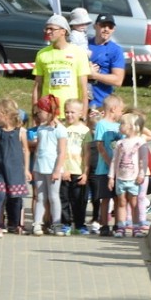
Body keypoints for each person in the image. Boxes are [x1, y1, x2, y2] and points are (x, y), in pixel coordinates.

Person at [32, 14, 89, 110]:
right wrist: (35, 112)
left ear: (63, 31)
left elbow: (83, 88)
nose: (48, 32)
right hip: (48, 114)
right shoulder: (41, 54)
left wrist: (83, 115)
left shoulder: (79, 53)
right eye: (46, 29)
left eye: (52, 29)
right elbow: (38, 87)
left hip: (70, 114)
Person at [0, 99, 31, 237]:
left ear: (6, 114)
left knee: (16, 198)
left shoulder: (21, 132)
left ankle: (16, 224)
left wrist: (26, 169)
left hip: (15, 170)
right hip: (0, 170)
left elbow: (26, 150)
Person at [108, 112, 149, 238]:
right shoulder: (120, 143)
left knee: (134, 203)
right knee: (121, 203)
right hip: (121, 178)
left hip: (134, 179)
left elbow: (144, 160)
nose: (119, 126)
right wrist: (111, 177)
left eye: (122, 123)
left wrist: (141, 174)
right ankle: (121, 227)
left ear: (131, 126)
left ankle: (136, 227)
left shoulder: (140, 142)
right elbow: (114, 160)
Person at [31, 94, 68, 236]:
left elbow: (62, 152)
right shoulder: (41, 128)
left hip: (53, 169)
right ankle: (37, 223)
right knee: (40, 196)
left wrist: (57, 170)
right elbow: (39, 148)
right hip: (40, 167)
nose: (38, 115)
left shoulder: (60, 130)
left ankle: (57, 224)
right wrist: (34, 166)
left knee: (53, 197)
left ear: (48, 111)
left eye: (40, 112)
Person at [93, 94, 124, 235]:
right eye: (120, 110)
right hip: (104, 170)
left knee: (118, 198)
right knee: (105, 198)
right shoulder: (101, 124)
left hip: (119, 170)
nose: (121, 113)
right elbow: (100, 146)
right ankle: (104, 225)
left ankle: (118, 224)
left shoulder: (120, 126)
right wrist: (109, 163)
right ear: (113, 109)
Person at [62, 98, 91, 235]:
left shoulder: (85, 131)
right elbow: (58, 151)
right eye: (66, 112)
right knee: (64, 199)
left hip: (78, 170)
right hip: (64, 170)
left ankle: (80, 224)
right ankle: (65, 223)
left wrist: (85, 172)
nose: (69, 115)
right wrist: (63, 169)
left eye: (72, 112)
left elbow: (87, 153)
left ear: (80, 113)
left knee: (80, 200)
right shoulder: (61, 128)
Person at [88, 14, 125, 109]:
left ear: (114, 29)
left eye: (110, 27)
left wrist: (94, 75)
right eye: (103, 25)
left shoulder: (116, 50)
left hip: (101, 103)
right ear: (95, 26)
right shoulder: (84, 45)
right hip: (80, 102)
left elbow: (118, 80)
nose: (106, 29)